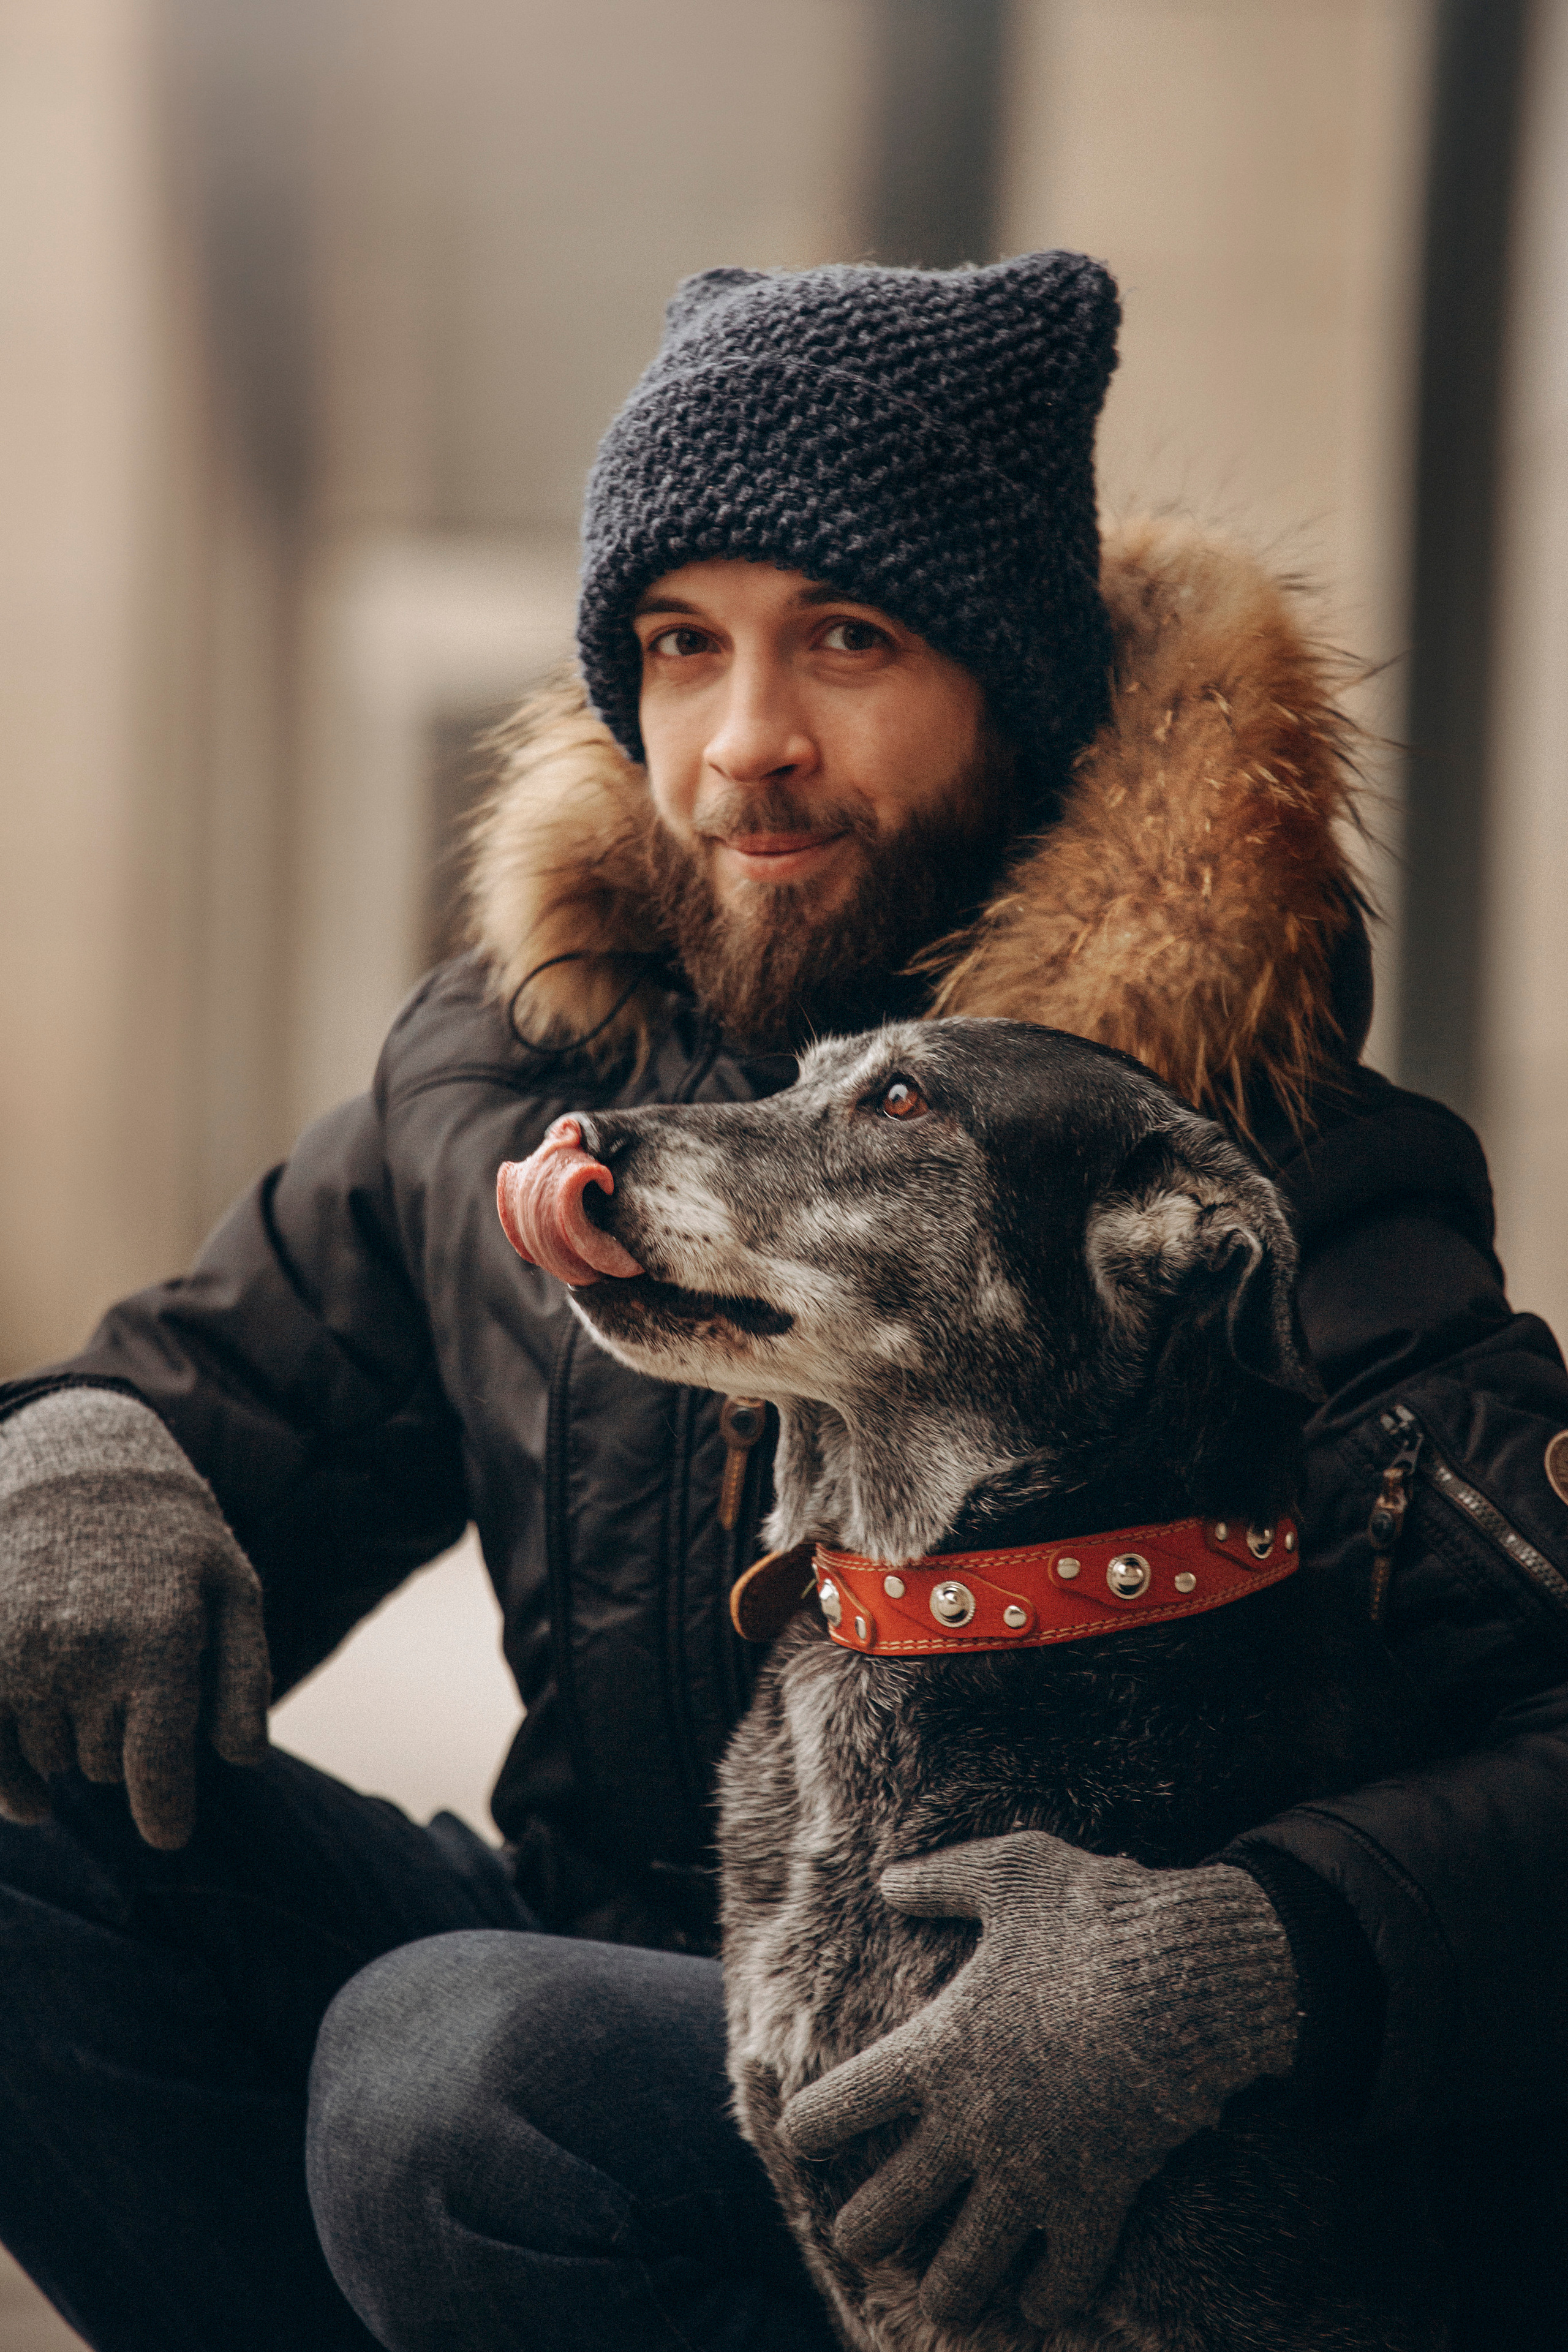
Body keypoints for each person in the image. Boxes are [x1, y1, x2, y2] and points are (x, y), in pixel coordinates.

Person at [0, 252, 1563, 2352]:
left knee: (455, 2079)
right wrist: (80, 1453)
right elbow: (201, 1407)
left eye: (847, 640)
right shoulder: (520, 1085)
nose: (748, 746)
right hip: (622, 1992)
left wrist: (1242, 1962)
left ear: (1014, 687)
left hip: (1033, 2129)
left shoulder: (1237, 1164)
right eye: (680, 644)